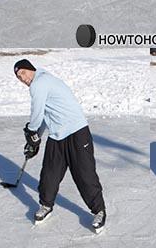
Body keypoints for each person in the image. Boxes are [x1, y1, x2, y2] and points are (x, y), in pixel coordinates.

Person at [14, 59, 106, 233]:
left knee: (84, 174)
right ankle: (46, 205)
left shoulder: (39, 83)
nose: (22, 79)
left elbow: (36, 113)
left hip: (77, 132)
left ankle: (99, 211)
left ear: (30, 69)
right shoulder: (42, 83)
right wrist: (36, 137)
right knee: (49, 174)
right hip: (57, 135)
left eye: (23, 73)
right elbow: (45, 115)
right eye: (19, 77)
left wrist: (31, 132)